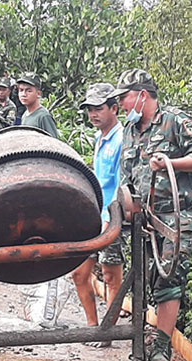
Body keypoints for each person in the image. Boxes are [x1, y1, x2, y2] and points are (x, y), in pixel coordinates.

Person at [108, 69, 192, 361]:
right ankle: (145, 340)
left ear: (142, 95)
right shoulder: (129, 132)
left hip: (181, 216)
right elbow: (127, 176)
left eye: (124, 98)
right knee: (144, 279)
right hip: (146, 220)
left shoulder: (174, 121)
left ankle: (162, 350)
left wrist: (170, 162)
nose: (122, 106)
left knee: (169, 277)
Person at [70, 83, 125, 347]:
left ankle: (107, 333)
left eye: (99, 109)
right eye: (90, 109)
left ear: (114, 108)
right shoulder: (100, 138)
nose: (94, 114)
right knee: (80, 272)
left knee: (111, 274)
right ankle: (92, 326)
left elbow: (121, 182)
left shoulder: (122, 139)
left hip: (112, 216)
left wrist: (110, 218)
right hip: (93, 214)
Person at [18, 72, 58, 138]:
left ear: (38, 94)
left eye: (29, 91)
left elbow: (53, 143)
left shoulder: (43, 116)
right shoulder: (25, 115)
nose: (24, 94)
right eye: (21, 90)